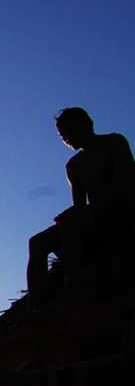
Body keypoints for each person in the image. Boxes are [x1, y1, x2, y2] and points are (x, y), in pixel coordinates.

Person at [27, 107, 135, 294]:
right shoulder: (73, 165)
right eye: (62, 135)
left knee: (73, 227)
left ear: (86, 124)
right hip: (92, 217)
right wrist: (72, 214)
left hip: (122, 209)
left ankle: (76, 281)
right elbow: (79, 204)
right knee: (37, 242)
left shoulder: (114, 142)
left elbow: (127, 180)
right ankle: (37, 303)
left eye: (68, 132)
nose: (65, 138)